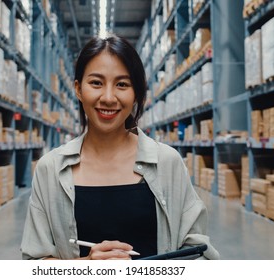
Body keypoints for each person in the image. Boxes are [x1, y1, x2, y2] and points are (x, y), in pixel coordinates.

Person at [21, 34, 219, 260]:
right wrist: (86, 266)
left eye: (122, 84)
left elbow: (200, 254)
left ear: (136, 93)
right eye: (96, 83)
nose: (108, 97)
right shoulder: (51, 170)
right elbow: (34, 263)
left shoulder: (167, 163)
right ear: (78, 88)